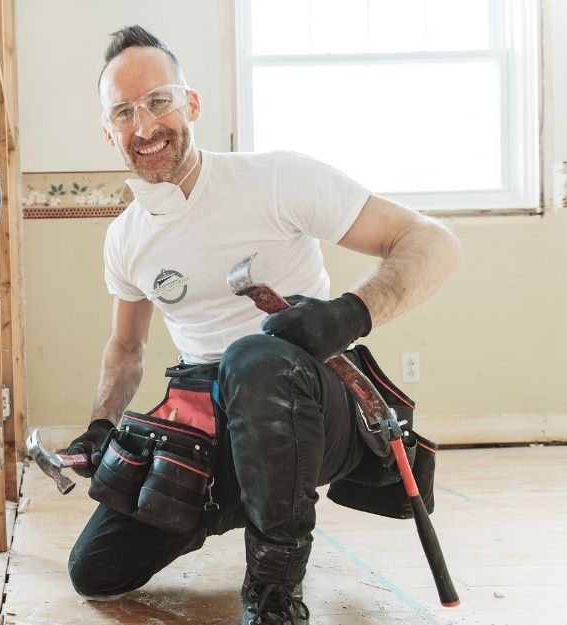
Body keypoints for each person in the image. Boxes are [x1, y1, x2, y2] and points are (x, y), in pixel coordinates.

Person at [65, 25, 460, 625]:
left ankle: (274, 587)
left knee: (253, 356)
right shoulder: (126, 239)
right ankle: (249, 493)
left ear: (191, 103)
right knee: (95, 571)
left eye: (158, 102)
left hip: (309, 398)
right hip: (209, 419)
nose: (144, 127)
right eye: (124, 112)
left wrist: (348, 313)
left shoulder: (275, 178)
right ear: (108, 132)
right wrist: (99, 423)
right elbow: (126, 347)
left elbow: (432, 241)